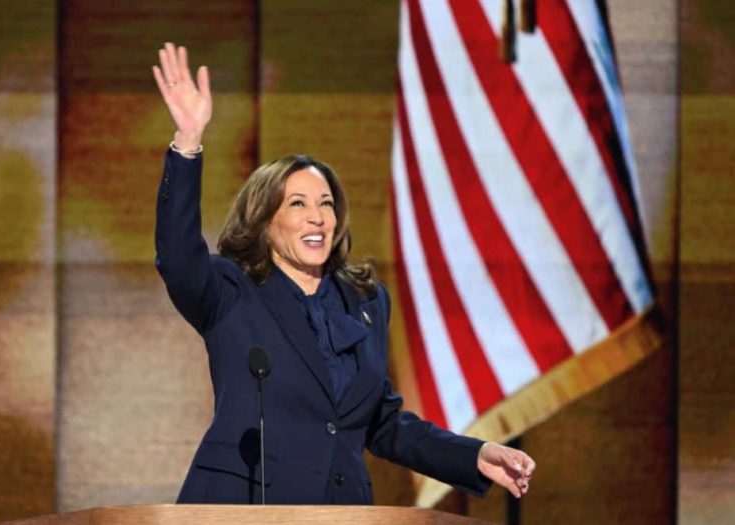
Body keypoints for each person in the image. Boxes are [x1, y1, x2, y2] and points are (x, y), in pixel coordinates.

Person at [152, 42, 535, 505]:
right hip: (246, 507)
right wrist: (188, 141)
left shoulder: (366, 302)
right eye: (298, 204)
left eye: (326, 204)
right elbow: (177, 256)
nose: (317, 217)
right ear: (265, 221)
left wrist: (472, 456)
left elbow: (382, 423)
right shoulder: (231, 291)